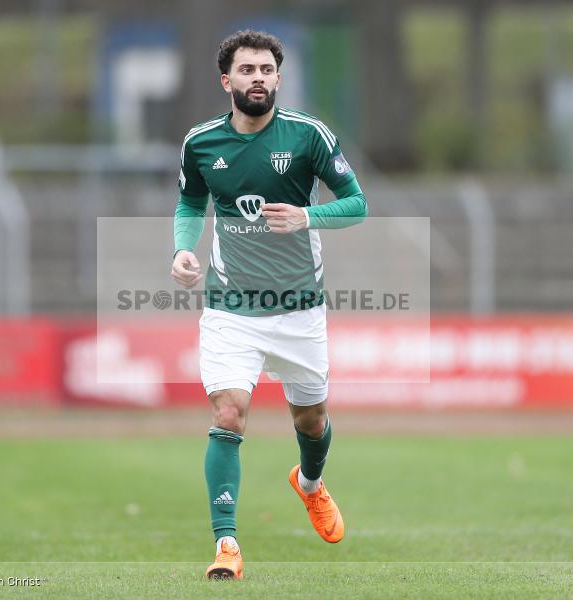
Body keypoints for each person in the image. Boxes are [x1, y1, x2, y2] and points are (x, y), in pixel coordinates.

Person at [170, 29, 368, 580]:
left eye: (266, 69)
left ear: (278, 79)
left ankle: (309, 484)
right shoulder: (201, 143)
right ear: (226, 80)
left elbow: (358, 204)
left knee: (311, 419)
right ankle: (226, 544)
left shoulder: (308, 137)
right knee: (228, 412)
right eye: (247, 69)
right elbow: (189, 200)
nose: (258, 77)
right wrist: (184, 250)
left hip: (300, 307)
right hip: (232, 307)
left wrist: (309, 215)